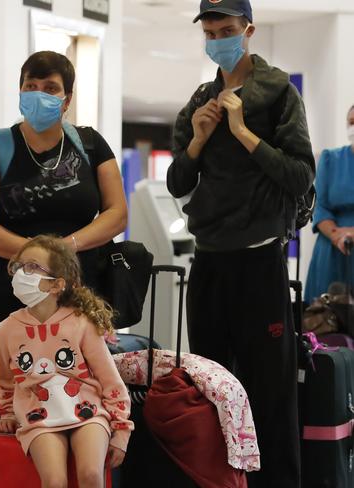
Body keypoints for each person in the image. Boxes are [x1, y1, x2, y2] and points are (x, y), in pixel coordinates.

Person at [166, 0, 315, 486]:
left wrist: (244, 133)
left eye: (226, 29)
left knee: (269, 391)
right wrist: (198, 139)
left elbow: (299, 175)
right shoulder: (199, 101)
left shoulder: (277, 93)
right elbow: (176, 181)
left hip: (259, 261)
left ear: (248, 30)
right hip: (209, 260)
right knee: (207, 387)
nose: (218, 39)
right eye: (210, 31)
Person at [0, 51, 127, 427]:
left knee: (81, 405)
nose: (38, 94)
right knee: (6, 411)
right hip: (9, 298)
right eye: (30, 87)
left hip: (77, 297)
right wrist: (39, 260)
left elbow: (117, 213)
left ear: (67, 98)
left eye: (50, 88)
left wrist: (65, 250)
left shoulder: (90, 145)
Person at [0, 235, 132, 487]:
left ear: (57, 285)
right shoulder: (6, 329)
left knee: (91, 475)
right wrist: (7, 413)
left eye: (33, 267)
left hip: (88, 415)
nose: (23, 273)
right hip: (39, 419)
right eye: (19, 265)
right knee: (54, 481)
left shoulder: (81, 323)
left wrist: (121, 430)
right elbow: (4, 380)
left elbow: (110, 380)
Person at [305, 105, 354, 302]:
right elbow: (320, 205)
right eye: (351, 123)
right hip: (332, 248)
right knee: (325, 320)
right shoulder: (330, 159)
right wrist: (338, 236)